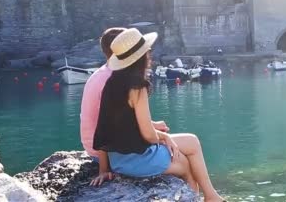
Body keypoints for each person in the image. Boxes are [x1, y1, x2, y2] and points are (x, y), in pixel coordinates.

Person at [91, 28, 224, 202]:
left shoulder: (111, 83)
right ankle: (207, 197)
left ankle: (211, 195)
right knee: (184, 163)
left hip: (118, 160)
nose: (150, 55)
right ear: (139, 57)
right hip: (137, 160)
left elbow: (105, 128)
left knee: (191, 141)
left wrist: (104, 169)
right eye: (147, 51)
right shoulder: (137, 87)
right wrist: (163, 138)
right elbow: (147, 134)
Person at [80, 27, 169, 161]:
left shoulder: (103, 74)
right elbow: (109, 125)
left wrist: (152, 125)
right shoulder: (114, 79)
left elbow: (118, 116)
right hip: (106, 151)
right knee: (180, 151)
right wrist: (160, 137)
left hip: (97, 146)